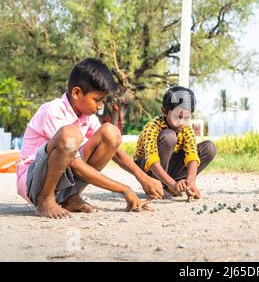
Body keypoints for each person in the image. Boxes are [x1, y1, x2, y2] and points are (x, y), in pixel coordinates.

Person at [16, 58, 164, 219]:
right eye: (97, 99)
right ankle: (45, 200)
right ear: (76, 93)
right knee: (70, 135)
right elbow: (76, 165)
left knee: (110, 133)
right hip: (33, 181)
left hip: (62, 175)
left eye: (102, 100)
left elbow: (115, 150)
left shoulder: (86, 116)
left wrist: (143, 177)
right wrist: (124, 189)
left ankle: (70, 198)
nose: (100, 106)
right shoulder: (52, 111)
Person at [134, 86, 217, 201]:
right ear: (164, 111)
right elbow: (152, 161)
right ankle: (158, 187)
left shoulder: (186, 129)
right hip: (149, 169)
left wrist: (191, 182)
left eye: (187, 117)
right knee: (169, 137)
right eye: (178, 116)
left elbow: (192, 155)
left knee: (209, 148)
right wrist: (171, 183)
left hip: (170, 168)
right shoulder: (153, 127)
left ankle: (177, 185)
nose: (182, 122)